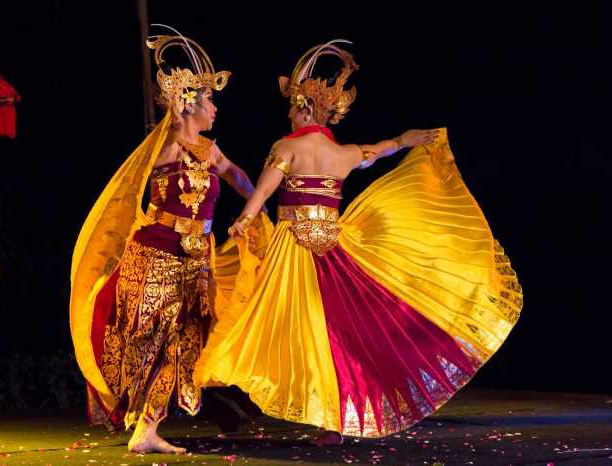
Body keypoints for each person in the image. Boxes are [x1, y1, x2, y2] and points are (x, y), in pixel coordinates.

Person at [194, 41, 523, 444]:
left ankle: (231, 384)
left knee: (280, 324)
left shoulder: (286, 147)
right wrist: (404, 140)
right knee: (335, 335)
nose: (288, 114)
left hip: (292, 249)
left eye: (291, 107)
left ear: (304, 107)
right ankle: (331, 422)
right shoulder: (345, 153)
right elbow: (378, 151)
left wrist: (244, 219)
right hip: (334, 247)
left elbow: (262, 191)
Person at [70, 32, 267, 454]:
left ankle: (147, 430)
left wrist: (255, 211)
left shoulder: (210, 150)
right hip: (155, 253)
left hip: (197, 261)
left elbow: (237, 176)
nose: (215, 108)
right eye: (209, 101)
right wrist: (172, 125)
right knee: (145, 340)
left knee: (186, 346)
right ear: (191, 104)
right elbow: (136, 178)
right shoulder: (164, 147)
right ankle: (131, 413)